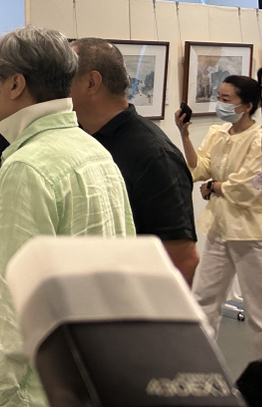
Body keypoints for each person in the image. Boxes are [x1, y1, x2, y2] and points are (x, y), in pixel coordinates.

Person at [0, 26, 134, 406]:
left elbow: (12, 306)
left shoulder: (27, 166)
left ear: (15, 84)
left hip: (39, 386)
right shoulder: (93, 150)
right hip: (95, 371)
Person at [70, 37, 199, 283]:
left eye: (65, 79)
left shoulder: (155, 155)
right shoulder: (84, 139)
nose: (57, 89)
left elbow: (183, 259)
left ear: (91, 82)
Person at [176, 73, 262, 359]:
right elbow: (200, 168)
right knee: (204, 302)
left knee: (258, 311)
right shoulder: (218, 133)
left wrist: (214, 187)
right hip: (219, 228)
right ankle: (199, 365)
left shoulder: (258, 140)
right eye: (219, 97)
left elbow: (248, 186)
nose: (220, 104)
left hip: (250, 234)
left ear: (247, 106)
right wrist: (184, 135)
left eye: (226, 99)